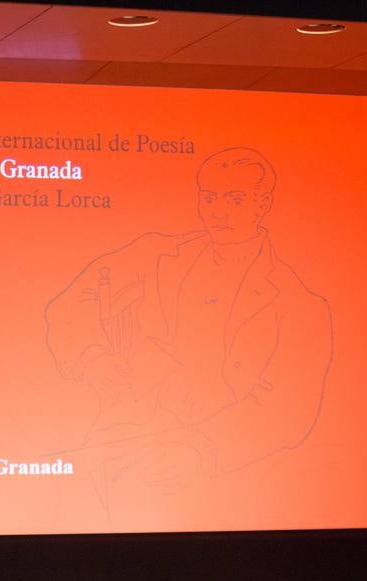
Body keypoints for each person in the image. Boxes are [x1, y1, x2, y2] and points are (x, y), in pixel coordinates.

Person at [45, 147, 334, 495]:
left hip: (222, 458)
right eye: (209, 198)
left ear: (263, 203)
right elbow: (71, 302)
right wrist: (91, 357)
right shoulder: (157, 254)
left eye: (235, 199)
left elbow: (287, 409)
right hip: (125, 428)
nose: (219, 211)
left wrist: (199, 450)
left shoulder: (301, 304)